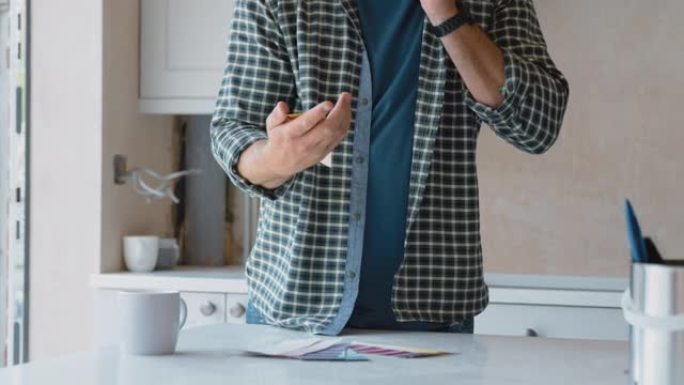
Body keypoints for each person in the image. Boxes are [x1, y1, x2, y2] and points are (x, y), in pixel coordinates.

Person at [211, 0, 569, 336]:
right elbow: (233, 131)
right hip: (295, 312)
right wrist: (278, 159)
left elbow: (537, 124)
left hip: (433, 318)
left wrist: (446, 13)